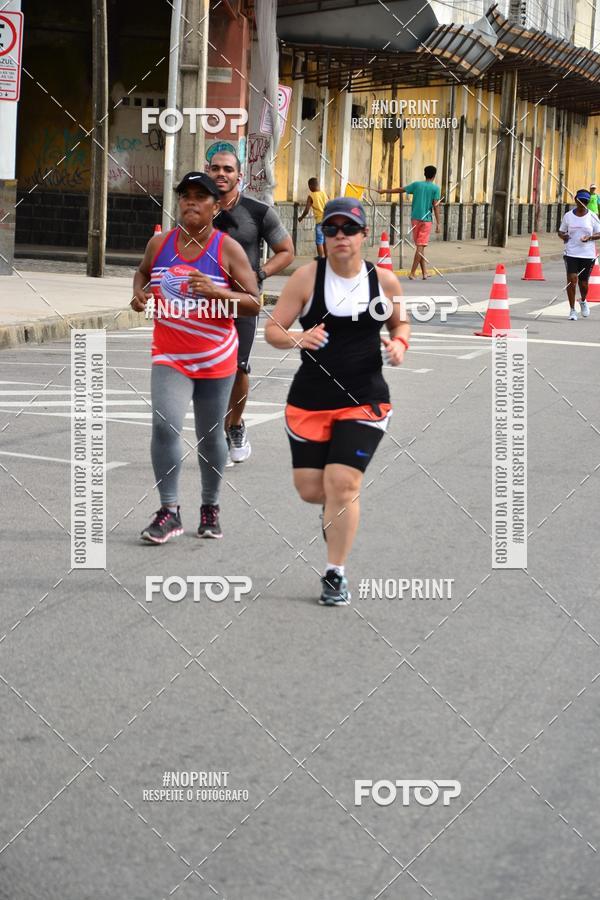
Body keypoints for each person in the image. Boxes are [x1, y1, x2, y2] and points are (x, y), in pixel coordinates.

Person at [264, 198, 410, 606]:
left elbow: (400, 321)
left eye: (349, 229)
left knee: (343, 486)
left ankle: (335, 573)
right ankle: (333, 511)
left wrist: (399, 344)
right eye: (332, 229)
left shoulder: (384, 281)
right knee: (314, 491)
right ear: (323, 236)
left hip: (365, 400)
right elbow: (274, 331)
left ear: (364, 234)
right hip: (310, 400)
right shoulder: (307, 279)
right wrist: (298, 337)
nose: (340, 236)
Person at [131, 171, 259, 543]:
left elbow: (253, 302)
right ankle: (169, 511)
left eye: (200, 196)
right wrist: (140, 295)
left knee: (209, 434)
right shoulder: (160, 244)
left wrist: (218, 293)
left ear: (215, 207)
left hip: (215, 356)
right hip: (170, 353)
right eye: (185, 195)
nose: (190, 201)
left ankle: (210, 505)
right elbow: (142, 274)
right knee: (165, 425)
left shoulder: (226, 249)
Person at [208, 151, 294, 465]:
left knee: (239, 366)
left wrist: (259, 274)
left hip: (243, 302)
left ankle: (235, 425)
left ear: (238, 176)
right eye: (215, 168)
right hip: (204, 302)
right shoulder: (198, 208)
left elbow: (286, 251)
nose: (221, 174)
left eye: (228, 169)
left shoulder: (258, 212)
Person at [378, 165, 441, 280]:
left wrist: (384, 191)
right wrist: (438, 223)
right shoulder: (435, 189)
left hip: (415, 219)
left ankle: (424, 273)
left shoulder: (417, 185)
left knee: (419, 246)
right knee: (420, 247)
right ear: (434, 175)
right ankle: (412, 273)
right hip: (426, 221)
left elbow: (400, 190)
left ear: (424, 173)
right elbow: (436, 207)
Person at [557, 188, 599, 320]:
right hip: (571, 253)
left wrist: (590, 238)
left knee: (583, 283)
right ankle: (572, 310)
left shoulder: (592, 216)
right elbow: (561, 231)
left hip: (587, 255)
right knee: (572, 281)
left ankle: (583, 300)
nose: (583, 204)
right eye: (580, 201)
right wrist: (563, 236)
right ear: (576, 200)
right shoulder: (568, 216)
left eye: (585, 201)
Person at [298, 177, 329, 258]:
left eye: (309, 186)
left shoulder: (311, 196)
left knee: (319, 241)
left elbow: (306, 210)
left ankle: (321, 258)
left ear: (311, 186)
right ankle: (327, 259)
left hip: (320, 221)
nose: (309, 188)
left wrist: (301, 217)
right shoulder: (324, 193)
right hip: (328, 220)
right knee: (326, 241)